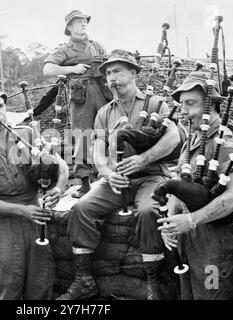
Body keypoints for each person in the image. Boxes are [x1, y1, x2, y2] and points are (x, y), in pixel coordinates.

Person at [56, 49, 181, 300]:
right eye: (108, 73)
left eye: (117, 71)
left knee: (148, 211)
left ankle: (153, 285)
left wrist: (143, 159)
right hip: (116, 180)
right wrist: (105, 172)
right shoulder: (105, 112)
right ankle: (84, 281)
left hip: (151, 176)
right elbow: (98, 152)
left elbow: (173, 138)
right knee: (82, 208)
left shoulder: (156, 104)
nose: (112, 78)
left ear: (133, 73)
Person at [0, 86, 69, 300]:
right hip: (3, 228)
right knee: (8, 289)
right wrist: (23, 211)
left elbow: (60, 164)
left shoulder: (27, 134)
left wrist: (59, 187)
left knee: (40, 285)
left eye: (1, 106)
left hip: (35, 222)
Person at [157, 72, 233, 300]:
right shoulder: (194, 137)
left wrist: (190, 220)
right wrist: (172, 220)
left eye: (190, 103)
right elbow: (181, 182)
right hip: (190, 240)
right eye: (181, 104)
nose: (184, 110)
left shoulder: (225, 142)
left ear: (211, 106)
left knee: (211, 294)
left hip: (215, 245)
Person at [43, 9, 111, 198]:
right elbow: (47, 68)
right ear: (70, 27)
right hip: (80, 95)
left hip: (101, 90)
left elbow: (109, 64)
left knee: (109, 130)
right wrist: (72, 68)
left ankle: (111, 175)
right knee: (82, 135)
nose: (83, 23)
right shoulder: (64, 49)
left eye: (84, 21)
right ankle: (85, 182)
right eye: (78, 21)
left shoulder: (96, 46)